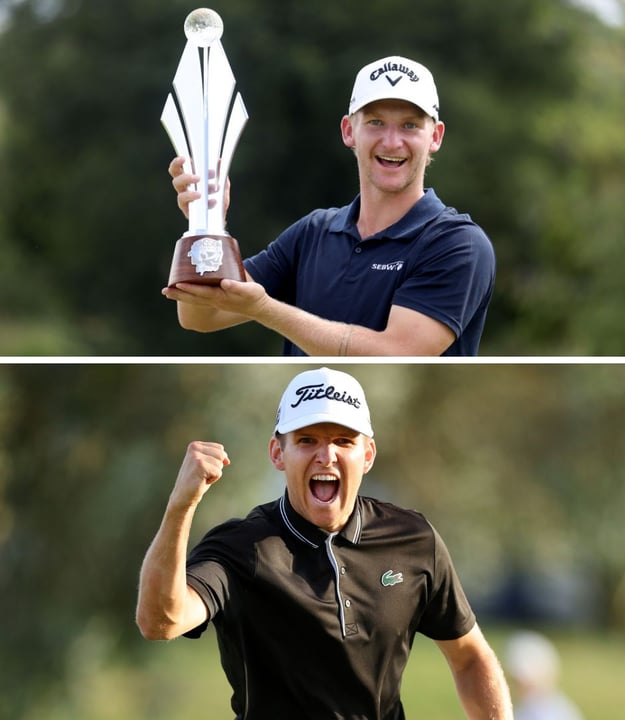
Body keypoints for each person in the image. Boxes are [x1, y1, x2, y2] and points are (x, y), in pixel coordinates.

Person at [135, 367, 512, 719]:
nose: (326, 455)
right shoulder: (239, 548)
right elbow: (160, 622)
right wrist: (180, 507)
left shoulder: (413, 539)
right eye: (307, 440)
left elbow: (470, 658)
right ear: (278, 453)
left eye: (343, 441)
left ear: (367, 455)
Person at [164, 56, 495, 356]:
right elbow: (201, 315)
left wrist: (265, 309)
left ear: (435, 136)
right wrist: (207, 224)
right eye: (376, 122)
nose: (392, 141)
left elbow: (397, 354)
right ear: (349, 131)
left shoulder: (457, 244)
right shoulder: (314, 232)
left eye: (410, 125)